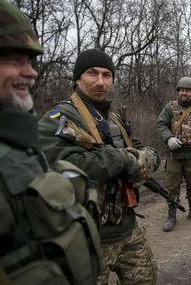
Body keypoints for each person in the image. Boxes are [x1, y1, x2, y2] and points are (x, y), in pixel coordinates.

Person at [0, 0, 101, 284]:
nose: (31, 72)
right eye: (14, 60)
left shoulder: (12, 135)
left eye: (29, 60)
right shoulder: (58, 116)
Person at [38, 49, 160, 284]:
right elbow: (61, 165)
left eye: (107, 75)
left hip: (127, 226)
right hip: (87, 238)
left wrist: (143, 162)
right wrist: (122, 160)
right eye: (92, 73)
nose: (100, 82)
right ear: (77, 78)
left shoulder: (113, 119)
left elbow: (144, 150)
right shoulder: (57, 118)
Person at [156, 77, 191, 232]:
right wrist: (168, 138)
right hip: (174, 155)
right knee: (172, 186)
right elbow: (161, 124)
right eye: (182, 90)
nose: (184, 93)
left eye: (187, 90)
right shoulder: (170, 107)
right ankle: (171, 215)